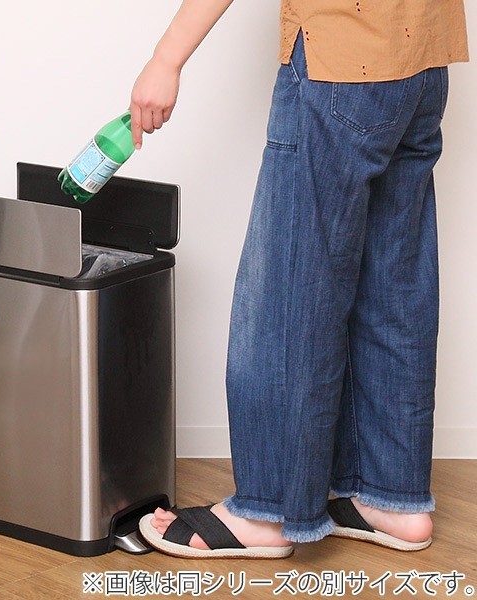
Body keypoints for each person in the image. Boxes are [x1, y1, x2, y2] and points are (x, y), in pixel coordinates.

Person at [132, 0, 470, 559]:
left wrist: (166, 59)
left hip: (340, 60)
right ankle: (393, 499)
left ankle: (269, 511)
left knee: (289, 292)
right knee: (392, 285)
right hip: (424, 63)